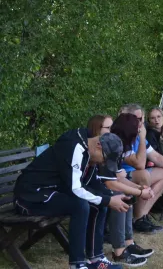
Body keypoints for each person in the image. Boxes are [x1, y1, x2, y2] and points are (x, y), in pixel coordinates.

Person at [14, 128, 129, 269]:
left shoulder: (90, 151)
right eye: (104, 159)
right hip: (29, 196)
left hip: (51, 192)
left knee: (98, 205)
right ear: (99, 145)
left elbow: (92, 185)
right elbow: (76, 189)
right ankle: (77, 264)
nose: (103, 163)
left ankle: (96, 259)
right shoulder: (75, 147)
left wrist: (111, 196)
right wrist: (108, 200)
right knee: (80, 205)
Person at [87, 115, 153, 267]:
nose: (112, 131)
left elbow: (116, 178)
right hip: (90, 190)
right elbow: (111, 184)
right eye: (108, 128)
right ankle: (119, 251)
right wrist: (140, 192)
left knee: (126, 193)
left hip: (97, 187)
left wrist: (139, 188)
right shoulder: (101, 148)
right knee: (119, 195)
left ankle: (128, 243)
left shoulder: (112, 146)